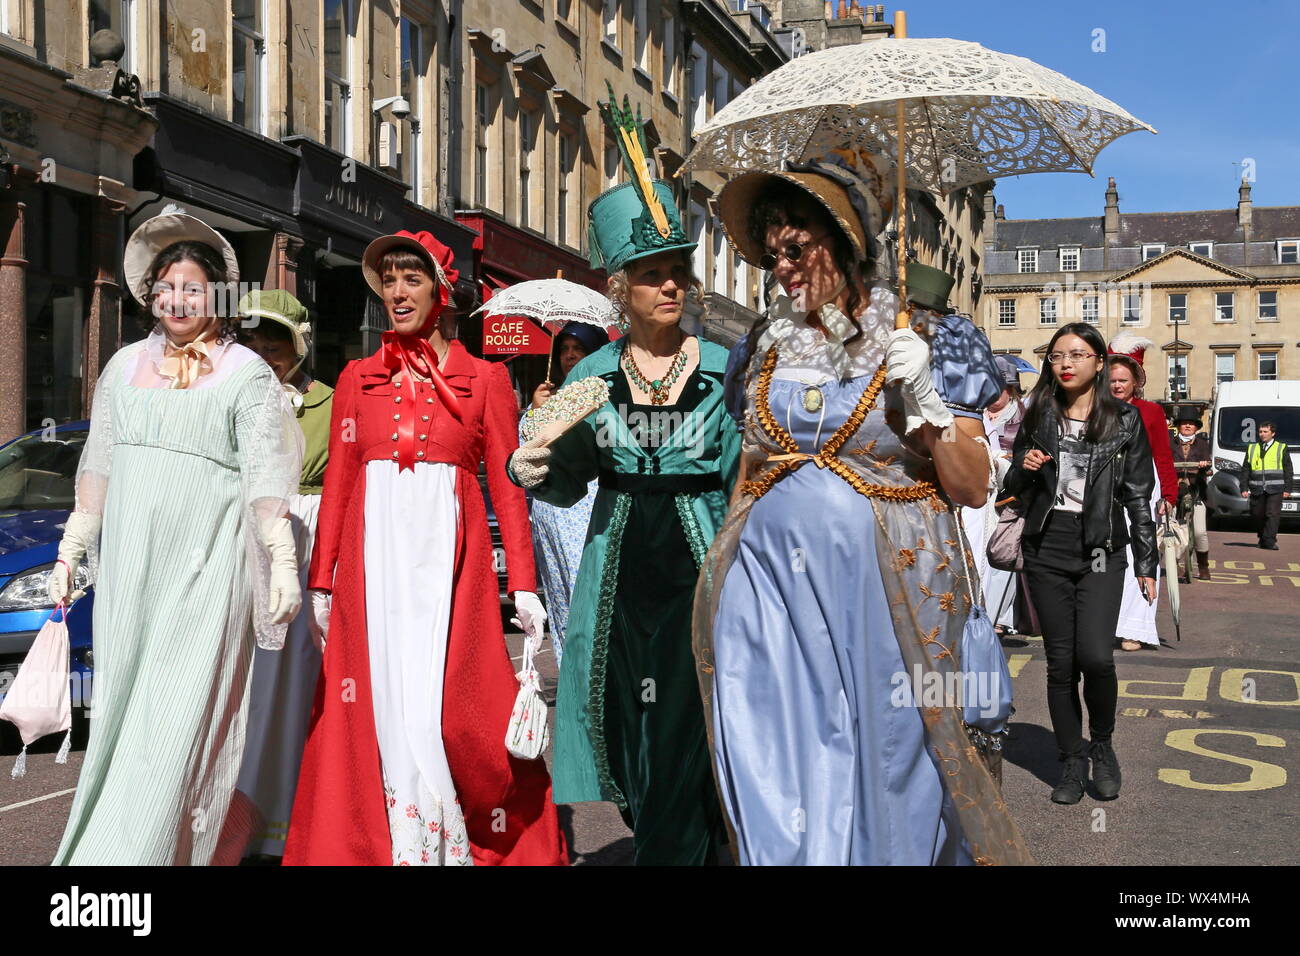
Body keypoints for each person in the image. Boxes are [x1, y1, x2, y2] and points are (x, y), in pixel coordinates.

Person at [694, 150, 1032, 865]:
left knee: (890, 748)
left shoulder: (922, 335)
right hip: (770, 584)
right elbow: (752, 465)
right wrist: (723, 563)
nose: (782, 266)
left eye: (798, 246)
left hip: (888, 581)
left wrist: (931, 406)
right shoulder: (762, 342)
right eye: (772, 251)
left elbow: (972, 486)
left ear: (845, 240)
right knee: (772, 741)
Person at [283, 230, 567, 866]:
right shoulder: (357, 378)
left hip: (452, 564)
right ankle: (387, 840)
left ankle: (481, 830)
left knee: (460, 712)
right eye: (388, 281)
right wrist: (322, 579)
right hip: (373, 561)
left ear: (442, 290)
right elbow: (340, 484)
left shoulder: (488, 379)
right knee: (372, 701)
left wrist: (523, 581)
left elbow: (508, 482)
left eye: (411, 279)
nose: (396, 293)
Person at [507, 91, 739, 865]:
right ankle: (684, 834)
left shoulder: (722, 370)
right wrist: (536, 462)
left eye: (678, 274)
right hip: (617, 562)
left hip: (701, 557)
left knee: (681, 714)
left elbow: (749, 474)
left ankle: (674, 850)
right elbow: (569, 481)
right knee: (631, 721)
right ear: (622, 288)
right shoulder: (595, 374)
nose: (669, 287)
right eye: (651, 276)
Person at [47, 205, 303, 864]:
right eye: (168, 287)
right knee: (123, 712)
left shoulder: (246, 374)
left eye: (194, 287)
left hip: (206, 568)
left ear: (218, 295)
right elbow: (98, 464)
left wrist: (278, 562)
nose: (179, 299)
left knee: (179, 721)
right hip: (131, 566)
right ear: (150, 294)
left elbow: (267, 476)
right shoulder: (123, 366)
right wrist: (73, 548)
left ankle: (147, 857)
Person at [1003, 322, 1157, 805]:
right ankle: (1071, 760)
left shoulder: (1125, 420)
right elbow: (1013, 485)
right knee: (1060, 664)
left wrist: (1146, 561)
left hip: (1100, 548)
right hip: (1048, 545)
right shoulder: (1039, 413)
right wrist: (1023, 468)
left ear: (1098, 363)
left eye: (1076, 355)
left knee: (1095, 655)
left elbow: (1136, 495)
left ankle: (1103, 746)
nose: (1065, 364)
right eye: (1056, 357)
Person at [218, 290, 333, 862]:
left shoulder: (333, 405)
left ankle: (284, 820)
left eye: (277, 345)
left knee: (291, 688)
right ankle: (228, 820)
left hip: (304, 549)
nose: (266, 356)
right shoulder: (227, 399)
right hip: (241, 551)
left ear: (299, 347)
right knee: (240, 690)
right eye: (255, 344)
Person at [520, 321, 609, 665]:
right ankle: (569, 669)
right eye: (565, 351)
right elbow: (526, 454)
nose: (570, 357)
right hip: (548, 515)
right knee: (560, 598)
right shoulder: (548, 397)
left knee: (586, 594)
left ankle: (594, 675)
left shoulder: (600, 394)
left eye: (579, 350)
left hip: (585, 509)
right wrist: (536, 412)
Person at [1106, 333, 1176, 652]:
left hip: (1142, 488)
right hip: (1104, 488)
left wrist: (1169, 496)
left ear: (1135, 382)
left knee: (1139, 555)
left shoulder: (1151, 412)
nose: (1117, 385)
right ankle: (1105, 622)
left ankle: (1133, 627)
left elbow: (1162, 455)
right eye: (1111, 379)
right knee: (1104, 555)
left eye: (1123, 380)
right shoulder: (1094, 409)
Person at [1169, 405, 1213, 579]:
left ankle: (1203, 566)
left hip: (1196, 493)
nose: (1187, 426)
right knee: (1171, 530)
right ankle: (1176, 564)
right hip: (1173, 492)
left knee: (1200, 532)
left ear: (1196, 427)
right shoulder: (1169, 442)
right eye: (1184, 423)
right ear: (1178, 426)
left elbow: (1209, 465)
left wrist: (1205, 465)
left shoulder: (1203, 444)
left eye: (1191, 424)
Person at [1241, 421, 1292, 550]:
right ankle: (1263, 536)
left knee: (1272, 514)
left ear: (1273, 433)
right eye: (1260, 432)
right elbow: (1246, 469)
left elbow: (1288, 469)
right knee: (1257, 514)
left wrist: (1287, 489)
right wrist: (1244, 487)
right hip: (1257, 488)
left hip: (1276, 488)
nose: (1262, 434)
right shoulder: (1252, 448)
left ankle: (1269, 541)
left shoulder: (1281, 447)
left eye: (1265, 432)